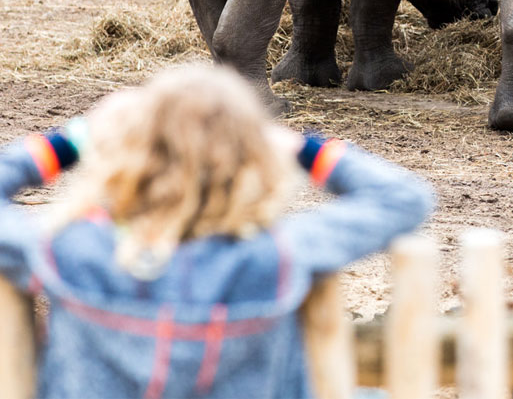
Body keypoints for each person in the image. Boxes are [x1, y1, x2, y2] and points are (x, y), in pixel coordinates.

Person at [0, 64, 434, 399]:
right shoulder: (277, 254)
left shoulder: (74, 251)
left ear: (130, 154)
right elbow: (404, 198)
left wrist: (72, 139)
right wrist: (300, 147)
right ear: (252, 160)